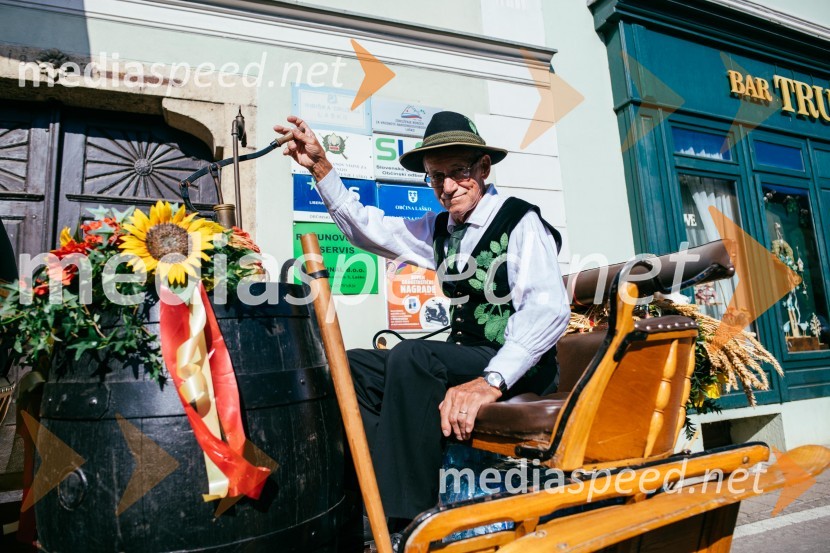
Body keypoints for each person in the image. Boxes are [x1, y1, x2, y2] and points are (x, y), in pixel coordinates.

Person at [274, 111, 570, 545]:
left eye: (459, 172)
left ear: (484, 169)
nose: (447, 187)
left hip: (517, 363)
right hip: (467, 355)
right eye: (436, 178)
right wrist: (321, 169)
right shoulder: (440, 229)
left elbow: (548, 310)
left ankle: (408, 524)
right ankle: (370, 500)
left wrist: (489, 382)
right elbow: (370, 230)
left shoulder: (520, 221)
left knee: (414, 356)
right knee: (353, 367)